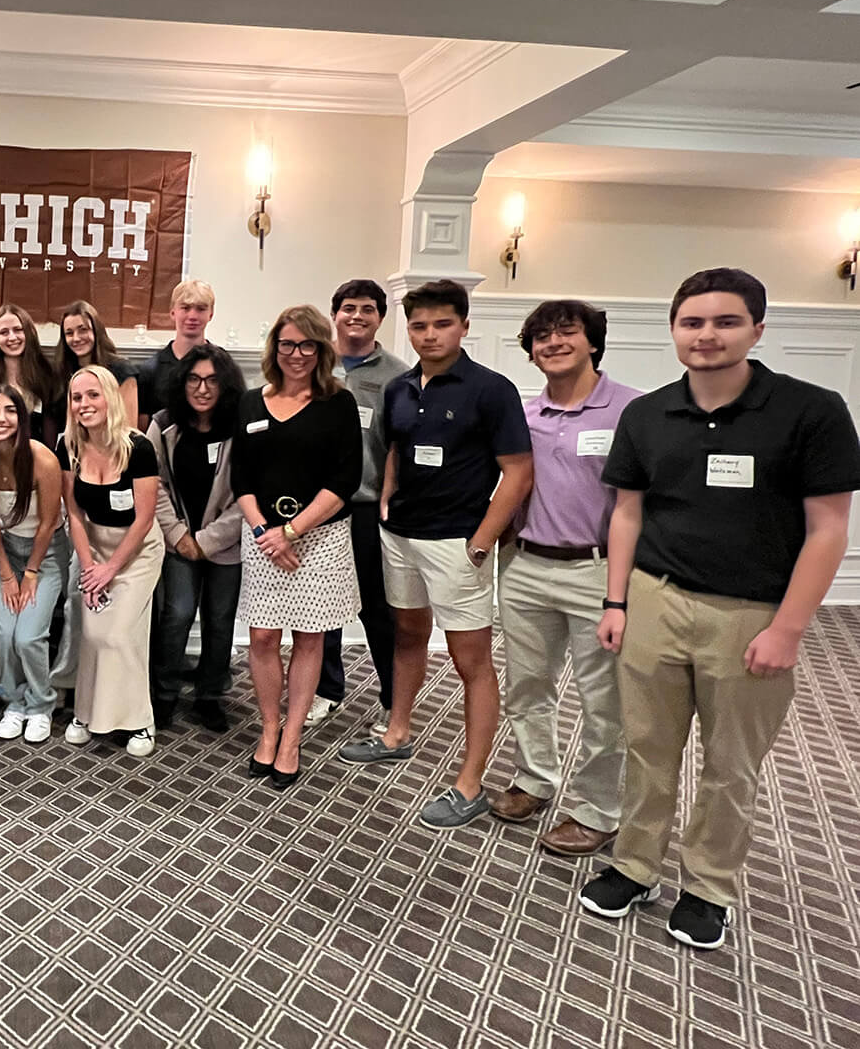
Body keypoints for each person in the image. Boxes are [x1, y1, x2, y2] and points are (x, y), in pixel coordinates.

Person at [578, 269, 859, 951]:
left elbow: (827, 529)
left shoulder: (809, 410)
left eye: (725, 322)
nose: (706, 336)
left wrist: (789, 628)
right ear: (673, 331)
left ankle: (707, 885)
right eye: (692, 323)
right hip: (654, 598)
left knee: (730, 761)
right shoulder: (646, 414)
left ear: (756, 329)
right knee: (646, 746)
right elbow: (625, 513)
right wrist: (616, 600)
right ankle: (636, 864)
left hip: (752, 613)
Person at [339, 279, 532, 830]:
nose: (429, 334)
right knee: (406, 636)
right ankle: (395, 732)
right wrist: (388, 500)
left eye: (441, 324)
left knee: (471, 661)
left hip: (457, 541)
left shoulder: (492, 390)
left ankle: (469, 783)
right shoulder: (400, 388)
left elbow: (519, 471)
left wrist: (482, 540)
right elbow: (395, 448)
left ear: (464, 326)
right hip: (400, 534)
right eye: (419, 325)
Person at [491, 300, 640, 855]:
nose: (553, 343)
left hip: (596, 572)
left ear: (593, 342)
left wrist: (620, 594)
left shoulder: (631, 411)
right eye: (542, 336)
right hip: (526, 566)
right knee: (527, 686)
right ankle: (535, 779)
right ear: (530, 350)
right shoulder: (525, 415)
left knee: (603, 700)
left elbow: (638, 505)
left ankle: (598, 809)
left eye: (566, 332)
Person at [233, 308, 363, 790]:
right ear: (275, 348)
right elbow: (240, 478)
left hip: (321, 537)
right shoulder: (250, 403)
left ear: (322, 351)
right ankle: (268, 726)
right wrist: (268, 531)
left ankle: (292, 737)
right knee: (264, 638)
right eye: (288, 344)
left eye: (308, 345)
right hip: (263, 536)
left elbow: (344, 481)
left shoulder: (338, 403)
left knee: (310, 637)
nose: (297, 355)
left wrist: (292, 532)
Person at [309, 279, 408, 732]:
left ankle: (393, 698)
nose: (357, 316)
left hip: (367, 507)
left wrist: (390, 495)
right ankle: (327, 690)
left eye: (367, 309)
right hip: (317, 507)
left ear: (380, 318)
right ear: (336, 313)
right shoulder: (314, 363)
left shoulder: (397, 375)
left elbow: (399, 446)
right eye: (349, 307)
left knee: (376, 605)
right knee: (319, 605)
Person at [59, 365, 165, 757]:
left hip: (136, 551)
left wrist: (111, 569)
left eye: (92, 395)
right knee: (91, 633)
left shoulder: (138, 447)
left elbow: (145, 518)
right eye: (77, 397)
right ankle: (86, 713)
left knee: (121, 634)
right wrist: (89, 568)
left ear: (109, 398)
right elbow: (74, 515)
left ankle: (140, 719)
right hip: (93, 548)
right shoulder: (67, 447)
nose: (84, 404)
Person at [147, 344, 245, 734]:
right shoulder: (163, 424)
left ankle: (209, 695)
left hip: (226, 544)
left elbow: (247, 493)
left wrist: (207, 541)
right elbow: (152, 485)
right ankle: (165, 692)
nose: (202, 388)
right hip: (178, 541)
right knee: (178, 614)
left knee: (220, 620)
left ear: (224, 385)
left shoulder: (241, 424)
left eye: (211, 380)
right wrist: (179, 536)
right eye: (193, 379)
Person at [0, 384, 66, 744]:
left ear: (22, 419)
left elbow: (47, 523)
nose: (1, 418)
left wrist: (32, 573)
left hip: (47, 555)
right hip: (4, 554)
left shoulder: (43, 460)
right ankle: (15, 700)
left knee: (28, 636)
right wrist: (8, 575)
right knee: (4, 633)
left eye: (10, 410)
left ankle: (41, 704)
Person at [0, 303, 60, 445]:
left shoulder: (46, 377)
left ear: (28, 333)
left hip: (35, 459)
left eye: (18, 330)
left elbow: (50, 431)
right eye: (4, 332)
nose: (12, 337)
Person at [139, 280, 215, 422]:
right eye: (185, 308)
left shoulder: (222, 365)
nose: (192, 316)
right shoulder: (150, 370)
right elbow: (142, 427)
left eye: (200, 309)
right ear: (173, 313)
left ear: (211, 314)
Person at [55, 301, 139, 429]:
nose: (76, 338)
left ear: (96, 331)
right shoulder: (61, 373)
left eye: (83, 330)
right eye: (69, 333)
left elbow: (129, 429)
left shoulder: (122, 370)